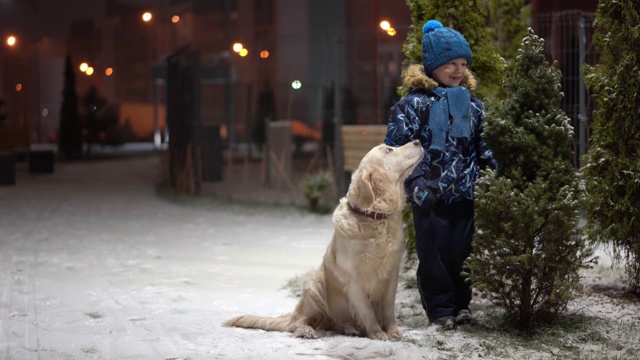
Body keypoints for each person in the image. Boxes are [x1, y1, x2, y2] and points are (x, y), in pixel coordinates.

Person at [384, 20, 498, 330]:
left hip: (464, 191)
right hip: (429, 195)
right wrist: (417, 182)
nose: (459, 70)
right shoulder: (411, 106)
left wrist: (494, 171)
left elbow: (482, 144)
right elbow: (398, 150)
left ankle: (462, 304)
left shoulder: (473, 106)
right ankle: (440, 309)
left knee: (462, 252)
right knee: (433, 255)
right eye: (451, 63)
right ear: (434, 66)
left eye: (463, 63)